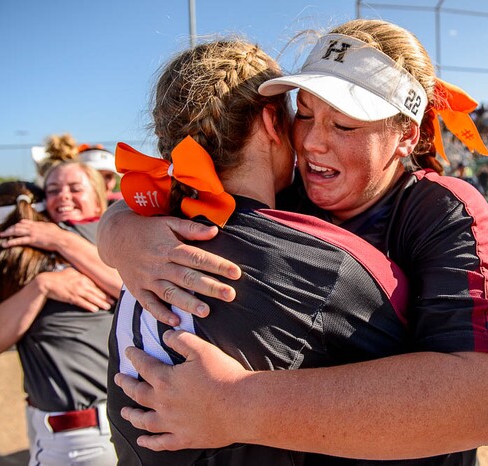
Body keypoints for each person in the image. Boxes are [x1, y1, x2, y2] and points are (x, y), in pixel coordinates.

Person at [102, 19, 488, 464]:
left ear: (406, 134)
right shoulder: (287, 194)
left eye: (344, 125)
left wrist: (237, 404)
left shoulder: (442, 210)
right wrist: (121, 229)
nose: (311, 141)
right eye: (304, 113)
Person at [107, 37, 412, 466]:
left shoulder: (144, 251)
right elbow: (425, 404)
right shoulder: (327, 266)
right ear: (272, 122)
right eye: (298, 115)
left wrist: (115, 226)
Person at [0, 164, 121, 466]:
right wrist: (42, 286)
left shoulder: (118, 234)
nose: (64, 196)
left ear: (99, 195)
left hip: (92, 429)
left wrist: (60, 240)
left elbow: (132, 289)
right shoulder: (22, 245)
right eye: (54, 189)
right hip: (47, 426)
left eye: (75, 188)